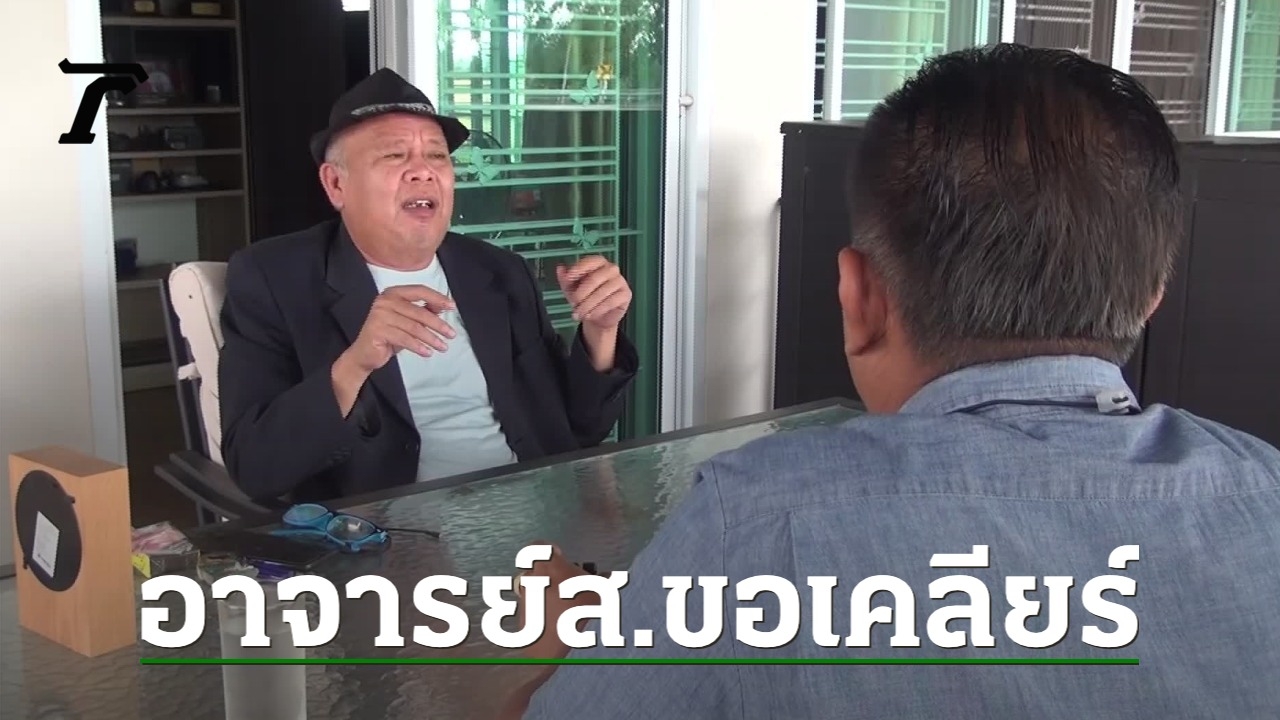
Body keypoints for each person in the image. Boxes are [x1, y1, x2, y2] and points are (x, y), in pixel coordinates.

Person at [499, 44, 1280, 718]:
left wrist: (567, 644)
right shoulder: (1266, 490)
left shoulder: (763, 522)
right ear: (1152, 296)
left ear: (859, 298)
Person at [217, 68, 639, 503]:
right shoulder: (273, 279)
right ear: (336, 184)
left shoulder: (498, 272)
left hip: (531, 511)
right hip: (394, 529)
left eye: (437, 155)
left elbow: (578, 429)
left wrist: (600, 332)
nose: (423, 171)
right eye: (394, 155)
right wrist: (355, 365)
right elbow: (256, 468)